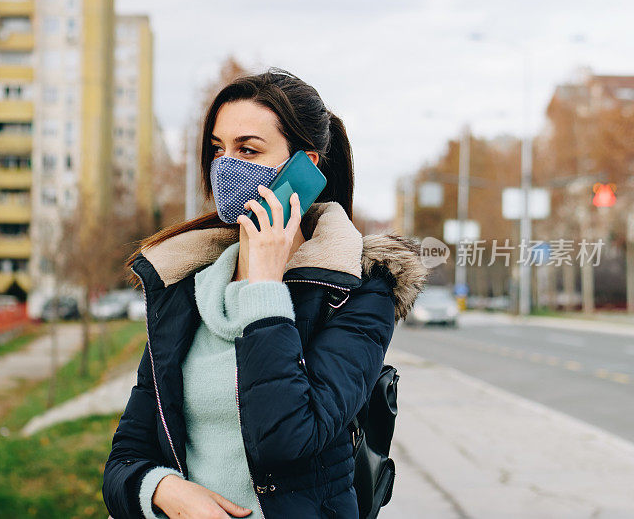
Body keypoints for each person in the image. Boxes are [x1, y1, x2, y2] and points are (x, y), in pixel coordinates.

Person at [102, 67, 427, 519]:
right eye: (218, 149)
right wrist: (165, 490)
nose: (225, 166)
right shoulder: (185, 288)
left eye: (247, 150)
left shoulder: (359, 294)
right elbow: (125, 459)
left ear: (304, 169)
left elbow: (287, 438)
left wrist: (265, 288)